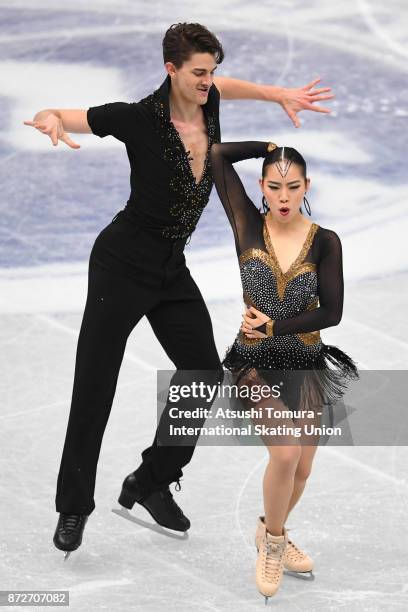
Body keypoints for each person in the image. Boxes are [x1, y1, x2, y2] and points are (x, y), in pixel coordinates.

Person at [23, 22, 335, 558]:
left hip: (170, 269)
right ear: (171, 70)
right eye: (198, 73)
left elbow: (228, 86)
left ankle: (151, 479)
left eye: (211, 72)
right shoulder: (136, 118)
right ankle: (73, 507)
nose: (208, 82)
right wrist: (51, 119)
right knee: (94, 387)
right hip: (120, 266)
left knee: (201, 372)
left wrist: (275, 93)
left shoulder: (208, 102)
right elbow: (69, 115)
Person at [210, 140, 359, 600]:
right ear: (261, 187)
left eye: (293, 186)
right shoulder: (245, 224)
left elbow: (331, 313)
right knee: (286, 454)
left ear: (306, 187)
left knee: (303, 469)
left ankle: (267, 527)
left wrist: (275, 325)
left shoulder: (325, 241)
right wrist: (269, 147)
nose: (283, 196)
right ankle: (273, 544)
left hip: (306, 362)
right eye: (274, 186)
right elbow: (216, 156)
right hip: (253, 362)